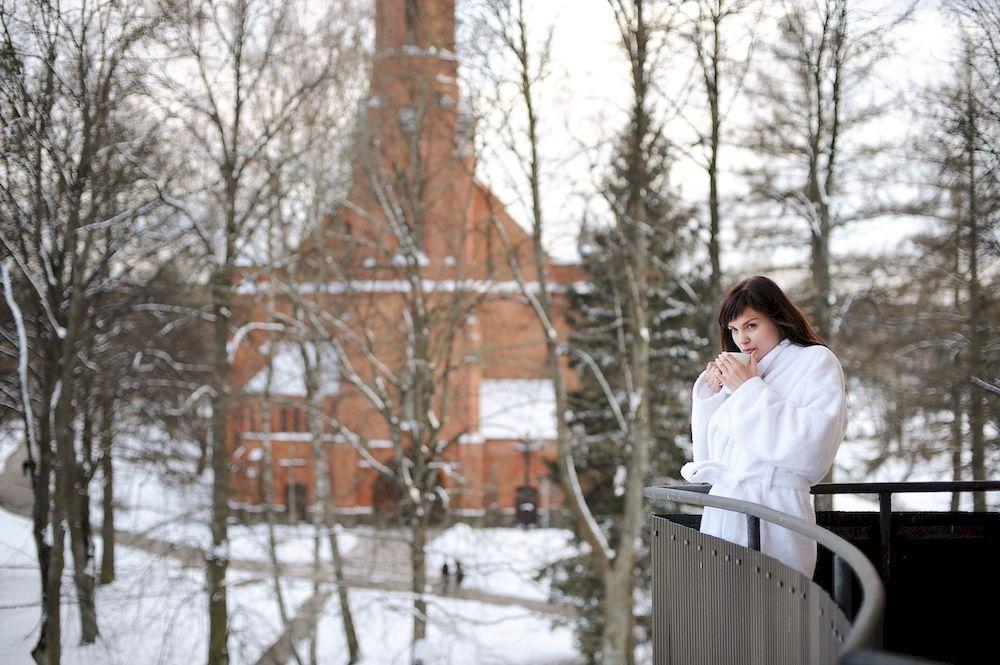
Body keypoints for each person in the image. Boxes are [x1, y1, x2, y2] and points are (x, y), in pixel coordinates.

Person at [681, 275, 847, 577]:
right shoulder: (747, 372)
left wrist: (748, 391)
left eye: (751, 326)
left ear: (778, 319)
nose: (741, 339)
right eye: (733, 329)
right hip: (725, 514)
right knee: (722, 617)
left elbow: (812, 449)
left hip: (777, 515)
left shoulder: (816, 362)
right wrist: (712, 396)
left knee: (774, 615)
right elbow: (710, 457)